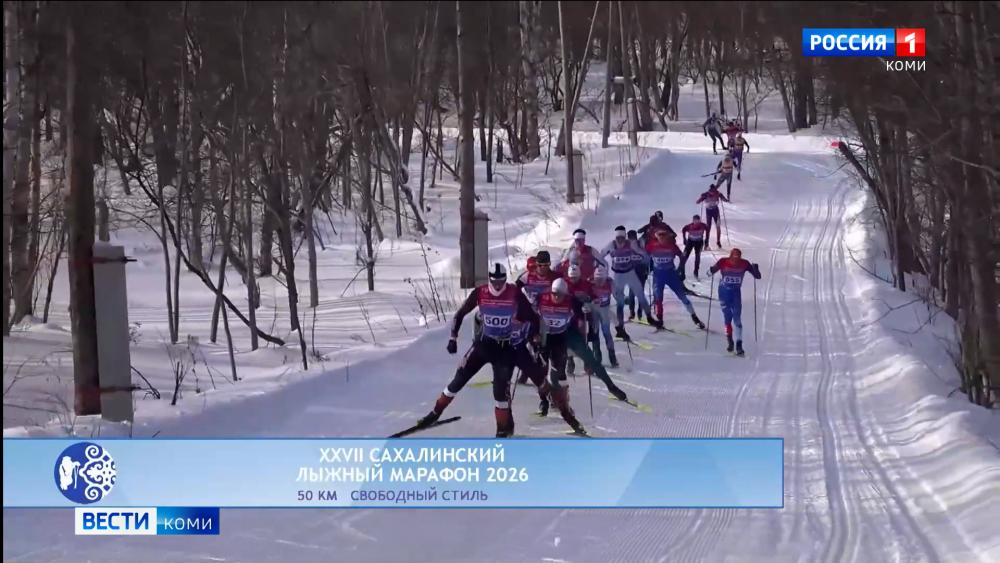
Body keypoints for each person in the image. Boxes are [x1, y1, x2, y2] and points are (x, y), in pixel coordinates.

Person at [417, 263, 539, 437]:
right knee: (458, 379)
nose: (498, 285)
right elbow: (460, 314)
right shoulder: (480, 292)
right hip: (484, 344)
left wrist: (531, 335)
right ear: (489, 279)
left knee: (500, 392)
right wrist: (453, 338)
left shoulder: (514, 293)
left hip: (505, 349)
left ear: (506, 279)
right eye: (494, 281)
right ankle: (435, 413)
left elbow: (533, 318)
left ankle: (503, 429)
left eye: (501, 281)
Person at [538, 278, 628, 402]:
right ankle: (555, 397)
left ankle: (612, 387)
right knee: (555, 366)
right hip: (550, 335)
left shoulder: (571, 301)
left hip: (568, 333)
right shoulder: (543, 299)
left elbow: (586, 309)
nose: (557, 297)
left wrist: (587, 308)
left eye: (560, 294)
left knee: (591, 359)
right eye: (554, 294)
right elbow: (528, 310)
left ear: (565, 293)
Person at [599, 226, 661, 334]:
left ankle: (650, 318)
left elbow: (643, 254)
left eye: (622, 238)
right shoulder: (612, 245)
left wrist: (648, 260)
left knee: (641, 295)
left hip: (630, 273)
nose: (620, 241)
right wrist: (602, 268)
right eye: (618, 238)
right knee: (620, 301)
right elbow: (601, 255)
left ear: (625, 237)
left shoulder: (630, 244)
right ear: (616, 237)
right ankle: (620, 327)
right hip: (618, 276)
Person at [644, 229, 706, 330]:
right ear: (657, 237)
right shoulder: (652, 245)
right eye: (660, 237)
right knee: (658, 299)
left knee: (683, 297)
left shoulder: (672, 246)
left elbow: (682, 256)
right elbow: (645, 256)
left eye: (664, 237)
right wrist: (645, 268)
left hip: (671, 275)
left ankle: (695, 318)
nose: (662, 239)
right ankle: (660, 320)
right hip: (658, 276)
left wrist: (680, 269)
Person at [708, 248, 762, 356]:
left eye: (738, 258)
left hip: (736, 294)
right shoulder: (723, 261)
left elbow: (757, 277)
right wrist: (712, 270)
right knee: (727, 318)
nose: (736, 260)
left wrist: (756, 269)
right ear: (730, 256)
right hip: (723, 293)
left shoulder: (744, 264)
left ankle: (739, 345)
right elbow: (708, 273)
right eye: (734, 258)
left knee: (737, 319)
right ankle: (730, 341)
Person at [563, 264, 594, 376]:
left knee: (582, 339)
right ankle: (570, 360)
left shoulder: (585, 284)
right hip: (568, 315)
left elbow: (593, 297)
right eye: (571, 277)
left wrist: (588, 303)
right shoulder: (565, 284)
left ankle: (587, 362)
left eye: (575, 277)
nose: (573, 279)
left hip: (582, 315)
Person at [589, 266, 618, 367]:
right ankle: (597, 358)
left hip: (605, 310)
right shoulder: (590, 283)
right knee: (595, 332)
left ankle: (612, 357)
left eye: (601, 279)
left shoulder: (610, 282)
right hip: (594, 311)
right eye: (597, 279)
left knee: (606, 333)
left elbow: (616, 294)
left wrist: (621, 298)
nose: (599, 282)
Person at [696, 184, 730, 249]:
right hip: (708, 212)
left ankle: (718, 241)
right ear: (709, 190)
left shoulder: (718, 193)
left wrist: (725, 199)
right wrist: (701, 197)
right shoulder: (705, 194)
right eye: (711, 191)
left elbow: (724, 199)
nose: (713, 192)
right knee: (708, 227)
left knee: (718, 226)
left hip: (716, 211)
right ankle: (706, 243)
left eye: (714, 191)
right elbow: (697, 202)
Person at [625, 229, 648, 321]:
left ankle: (638, 312)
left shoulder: (640, 244)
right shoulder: (627, 246)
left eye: (632, 238)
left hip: (640, 271)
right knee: (632, 294)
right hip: (633, 272)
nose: (631, 240)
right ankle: (633, 312)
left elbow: (646, 256)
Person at [680, 214, 709, 280]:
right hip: (690, 242)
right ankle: (680, 270)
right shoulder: (689, 226)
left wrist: (706, 240)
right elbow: (683, 230)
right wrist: (684, 239)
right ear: (693, 221)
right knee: (684, 256)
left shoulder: (703, 225)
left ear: (699, 220)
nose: (696, 222)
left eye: (698, 221)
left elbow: (707, 230)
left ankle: (696, 272)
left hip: (699, 242)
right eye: (695, 221)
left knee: (697, 257)